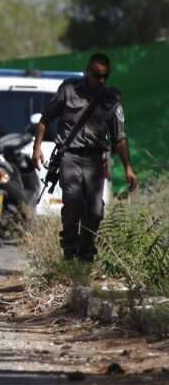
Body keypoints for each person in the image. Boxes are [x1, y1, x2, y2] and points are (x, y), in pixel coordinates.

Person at [32, 53, 137, 262]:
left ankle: (87, 250)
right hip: (69, 156)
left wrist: (128, 167)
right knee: (72, 201)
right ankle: (70, 246)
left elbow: (120, 138)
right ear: (87, 72)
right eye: (97, 75)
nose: (101, 81)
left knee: (96, 209)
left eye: (105, 76)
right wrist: (37, 148)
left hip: (96, 159)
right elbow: (45, 120)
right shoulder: (68, 91)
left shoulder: (111, 100)